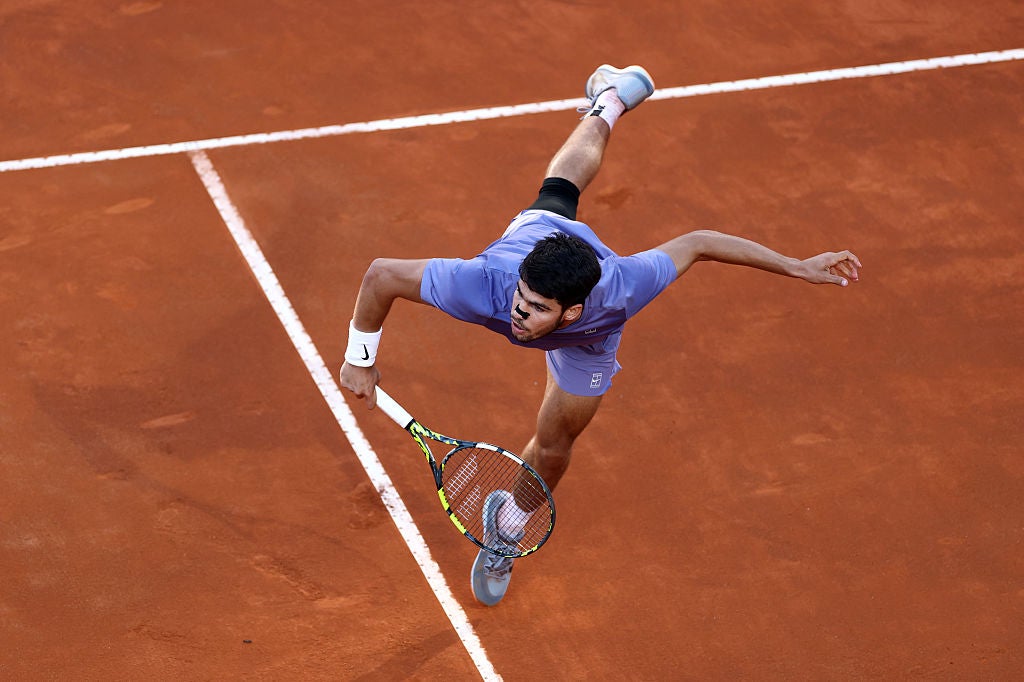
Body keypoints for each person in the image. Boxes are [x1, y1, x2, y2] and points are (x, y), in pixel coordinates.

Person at [339, 64, 862, 606]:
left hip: (588, 345)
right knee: (557, 193)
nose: (517, 315)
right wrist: (360, 356)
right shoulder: (483, 286)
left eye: (536, 309)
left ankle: (509, 525)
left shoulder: (621, 292)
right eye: (521, 299)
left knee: (557, 446)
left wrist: (796, 267)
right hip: (535, 241)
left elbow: (699, 242)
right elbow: (381, 274)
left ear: (571, 313)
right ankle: (609, 100)